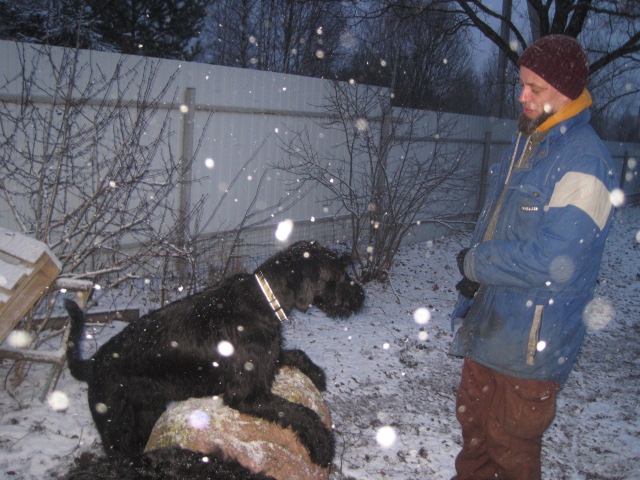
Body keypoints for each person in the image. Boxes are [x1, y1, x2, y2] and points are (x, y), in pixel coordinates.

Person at [449, 34, 620, 480]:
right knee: (474, 440)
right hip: (491, 326)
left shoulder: (585, 162)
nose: (522, 96)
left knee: (511, 453)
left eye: (535, 87)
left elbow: (556, 261)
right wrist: (474, 288)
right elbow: (500, 223)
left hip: (530, 344)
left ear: (566, 91)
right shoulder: (530, 142)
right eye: (521, 84)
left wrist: (477, 262)